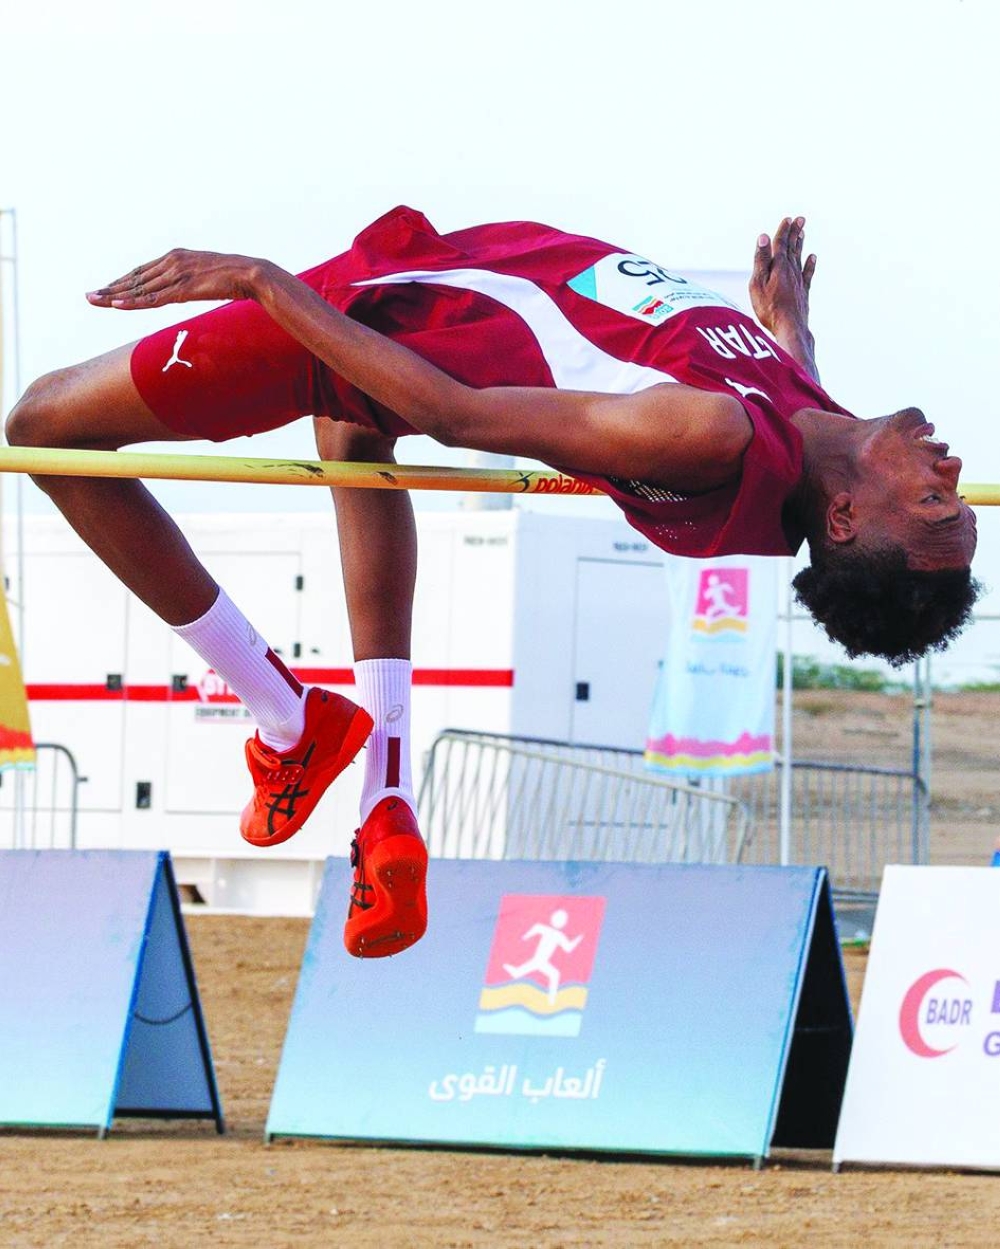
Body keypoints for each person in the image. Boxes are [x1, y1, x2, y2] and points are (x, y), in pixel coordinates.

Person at [7, 208, 980, 958]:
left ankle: (286, 716)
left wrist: (262, 284)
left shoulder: (708, 436)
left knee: (44, 428)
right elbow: (804, 430)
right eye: (955, 497)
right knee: (354, 451)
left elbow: (452, 411)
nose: (946, 472)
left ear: (847, 519)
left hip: (368, 321)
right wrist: (787, 334)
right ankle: (385, 796)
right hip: (427, 286)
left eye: (937, 504)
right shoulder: (813, 426)